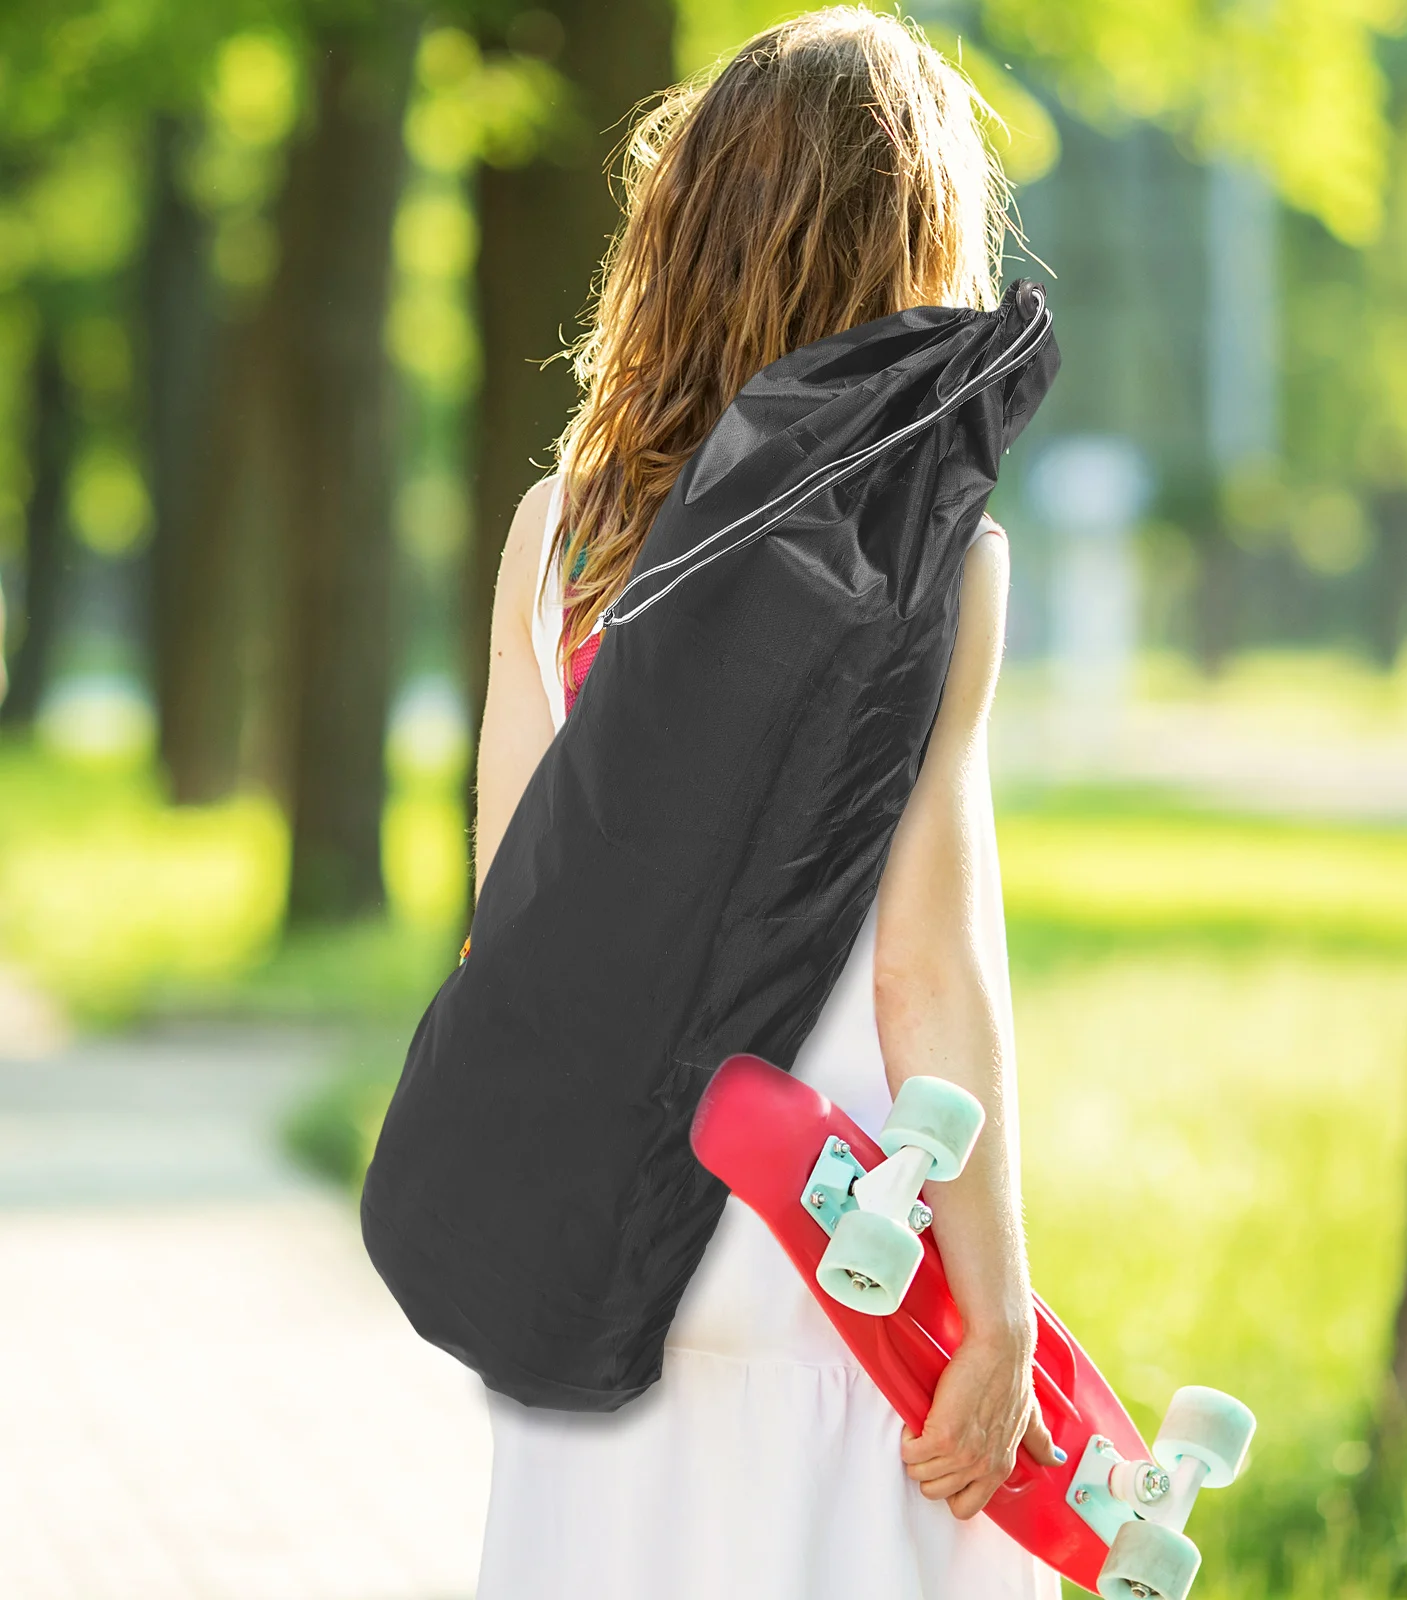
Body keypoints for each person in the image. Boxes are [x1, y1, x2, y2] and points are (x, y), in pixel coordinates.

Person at [467, 10, 1059, 1597]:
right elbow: (928, 961)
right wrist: (997, 1309)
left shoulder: (560, 538)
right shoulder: (933, 549)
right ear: (915, 251)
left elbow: (502, 937)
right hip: (830, 1235)